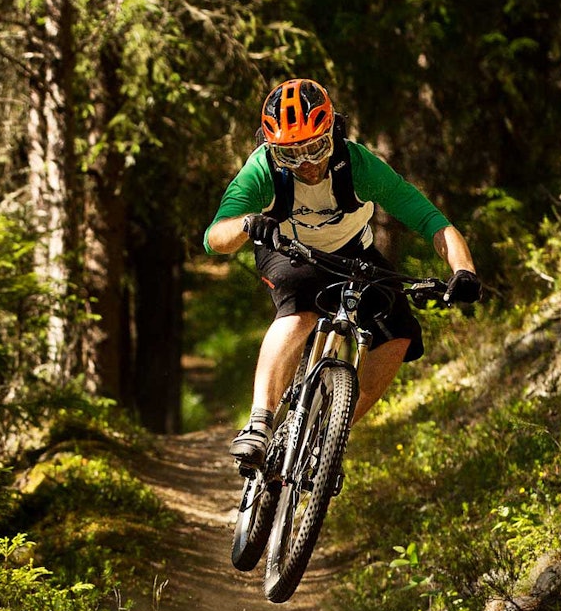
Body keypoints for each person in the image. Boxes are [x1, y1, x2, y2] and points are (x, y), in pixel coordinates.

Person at [203, 78, 481, 474]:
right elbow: (215, 238)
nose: (307, 164)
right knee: (301, 308)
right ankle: (260, 424)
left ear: (333, 130)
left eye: (314, 147)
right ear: (271, 149)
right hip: (285, 249)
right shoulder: (262, 170)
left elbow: (432, 222)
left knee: (399, 331)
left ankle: (330, 436)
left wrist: (463, 270)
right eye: (290, 154)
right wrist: (249, 224)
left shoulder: (359, 166)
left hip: (351, 250)